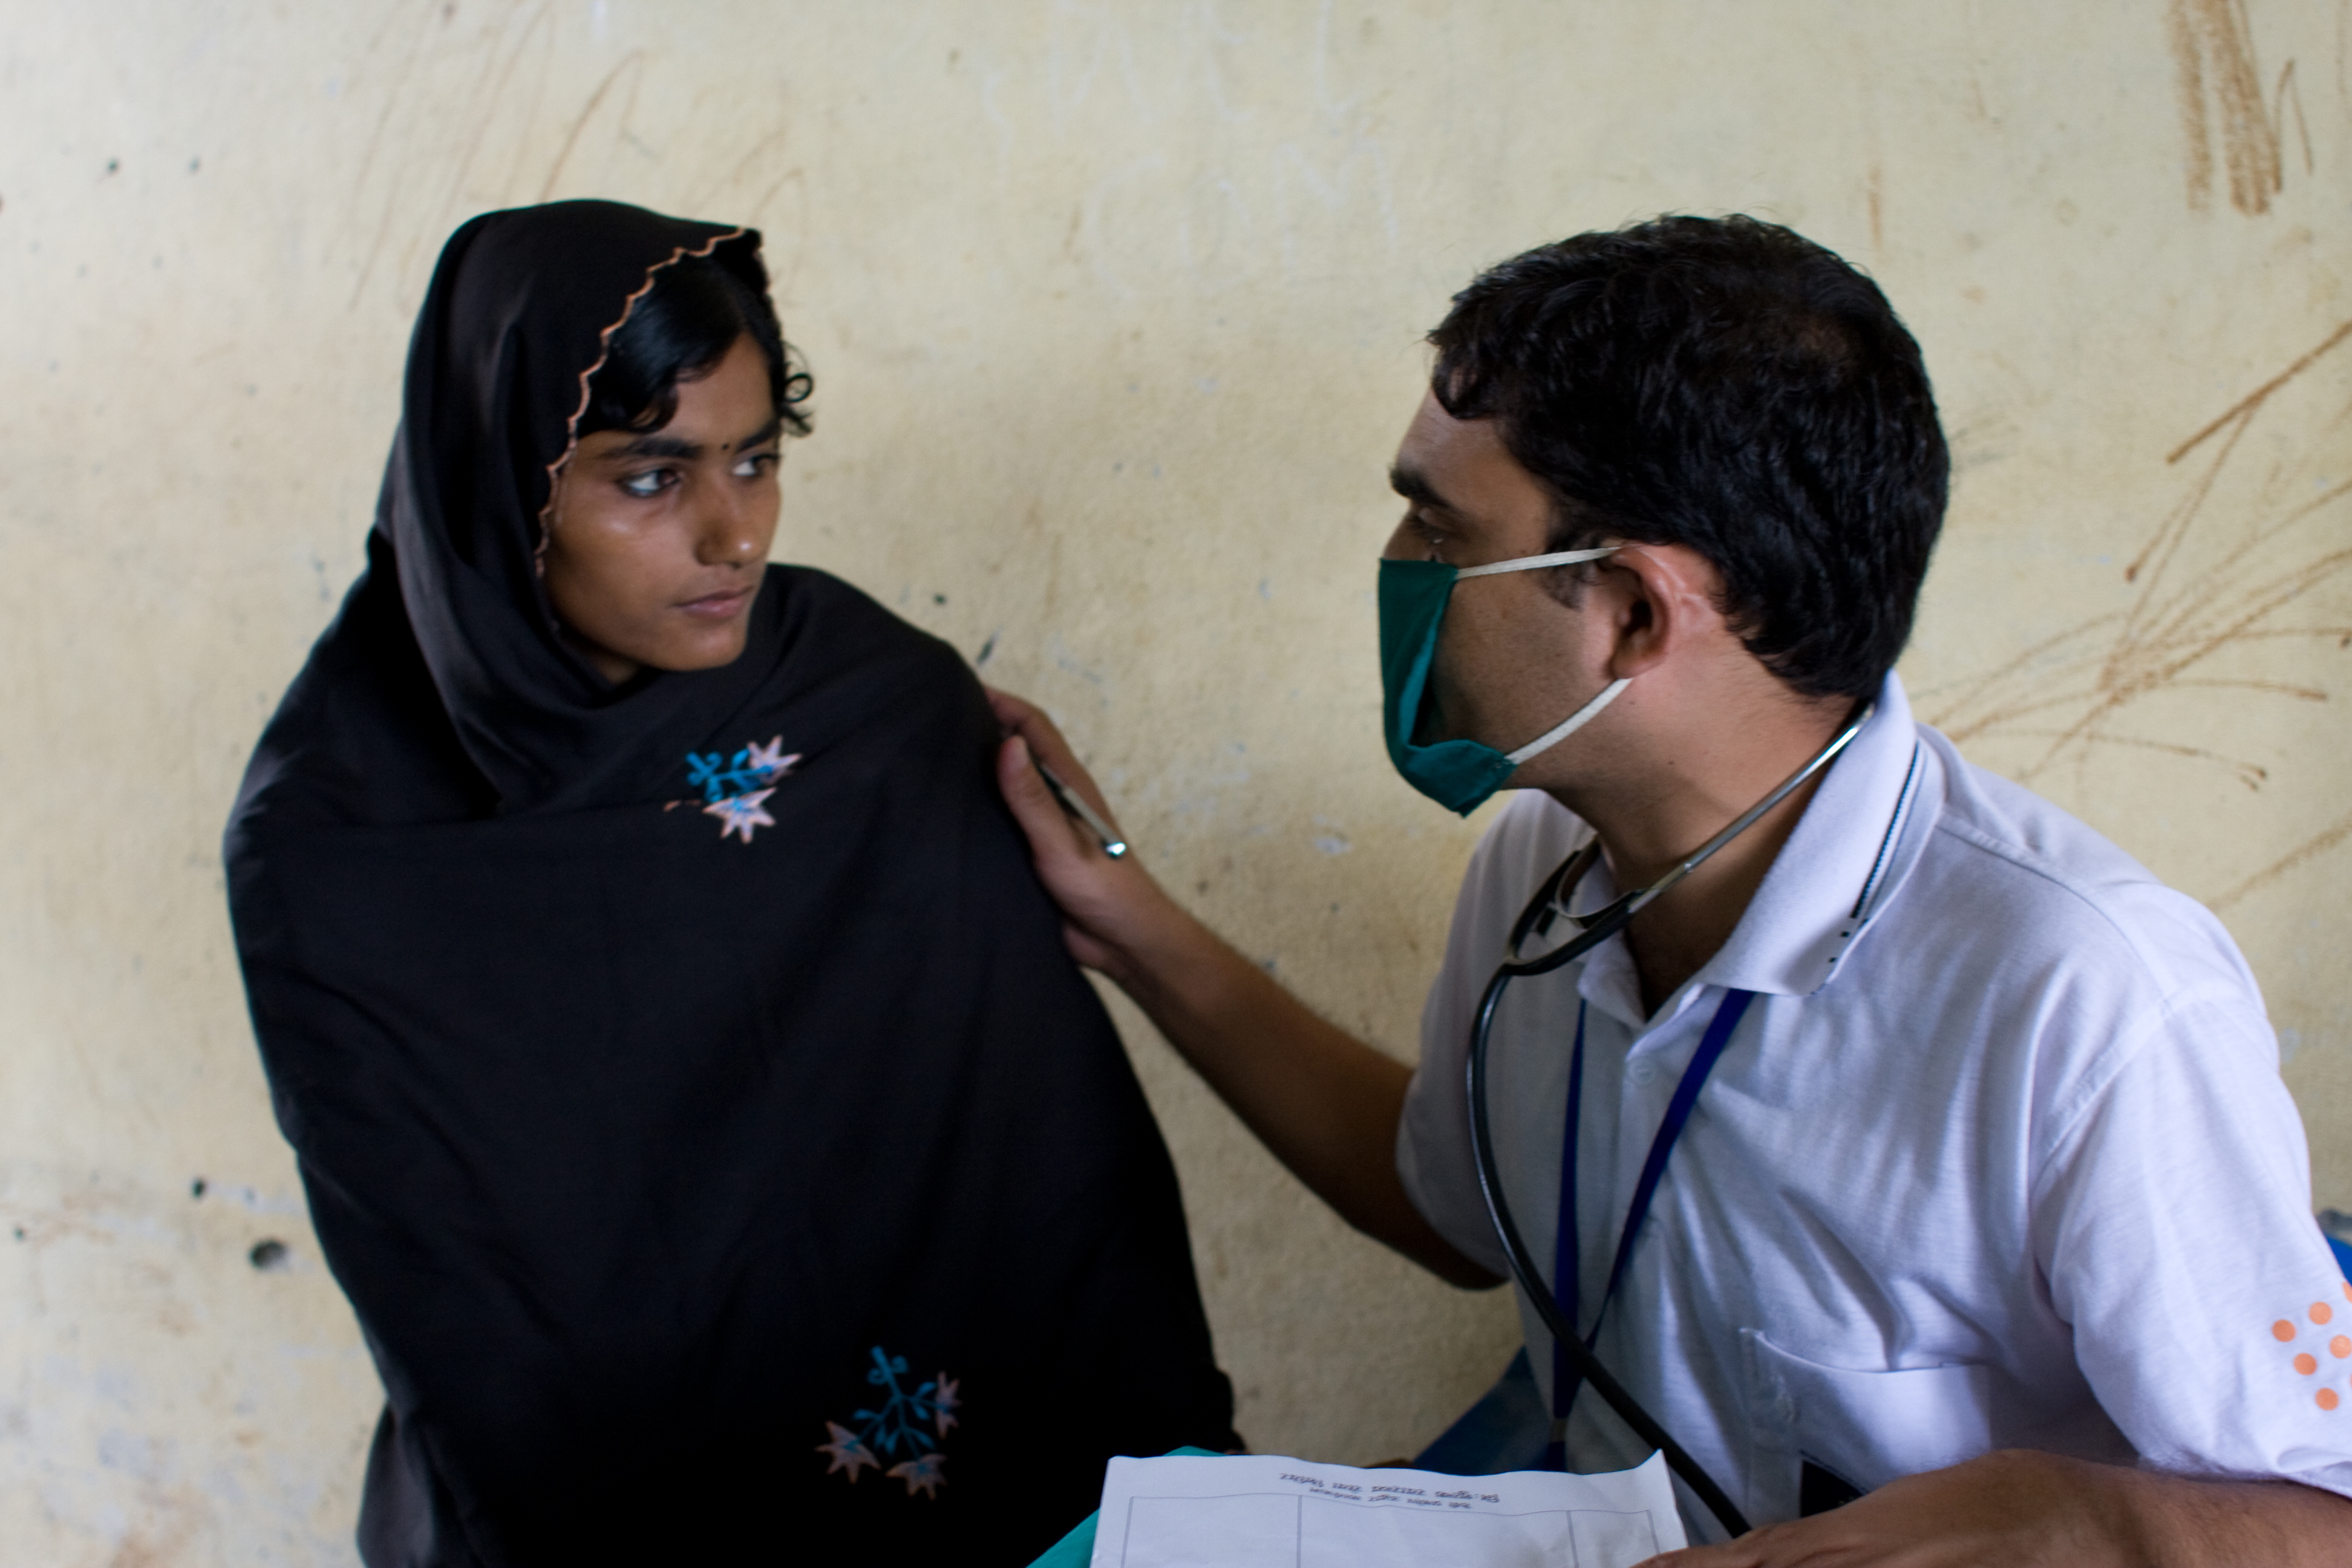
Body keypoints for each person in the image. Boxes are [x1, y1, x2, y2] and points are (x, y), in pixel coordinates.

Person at [986, 215, 2352, 1564]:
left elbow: (2322, 1518)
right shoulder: (1547, 866)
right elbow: (1455, 1208)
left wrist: (2082, 1522)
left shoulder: (2089, 997)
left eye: (1434, 525)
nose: (1401, 571)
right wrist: (1133, 924)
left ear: (1632, 615)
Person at [223, 200, 1235, 1568]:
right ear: (502, 479)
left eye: (755, 461)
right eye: (650, 477)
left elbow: (1039, 1168)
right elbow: (472, 1319)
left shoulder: (870, 715)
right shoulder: (344, 846)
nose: (731, 534)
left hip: (979, 1510)